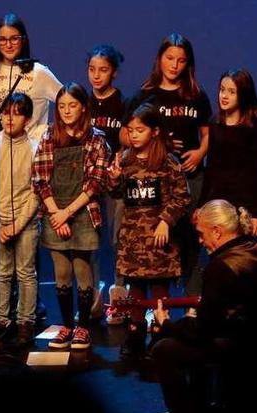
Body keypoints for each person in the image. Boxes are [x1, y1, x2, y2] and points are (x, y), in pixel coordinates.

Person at [142, 199, 257, 413]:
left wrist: (165, 325)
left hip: (235, 343)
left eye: (201, 234)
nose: (200, 241)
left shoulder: (220, 267)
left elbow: (203, 331)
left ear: (217, 231)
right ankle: (202, 412)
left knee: (165, 349)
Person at [122, 34, 211, 307]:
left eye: (181, 60)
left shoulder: (195, 95)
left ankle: (191, 305)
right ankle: (152, 307)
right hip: (153, 177)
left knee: (191, 237)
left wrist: (199, 153)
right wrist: (157, 141)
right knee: (158, 238)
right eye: (169, 58)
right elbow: (126, 135)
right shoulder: (145, 94)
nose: (174, 65)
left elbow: (208, 133)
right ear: (159, 59)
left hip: (190, 173)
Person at [108, 103, 190, 357]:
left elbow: (182, 197)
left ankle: (159, 330)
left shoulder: (167, 162)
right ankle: (135, 332)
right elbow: (117, 192)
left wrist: (166, 220)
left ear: (154, 132)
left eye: (140, 130)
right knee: (135, 289)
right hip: (133, 237)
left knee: (158, 288)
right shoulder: (124, 159)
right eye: (130, 130)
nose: (133, 135)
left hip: (158, 238)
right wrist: (113, 178)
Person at [32, 83, 110, 350]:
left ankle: (83, 327)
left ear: (84, 107)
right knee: (62, 271)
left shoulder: (96, 138)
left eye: (72, 105)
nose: (66, 111)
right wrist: (57, 213)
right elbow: (40, 178)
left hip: (84, 212)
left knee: (81, 268)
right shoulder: (48, 137)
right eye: (62, 106)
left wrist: (67, 213)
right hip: (56, 211)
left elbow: (95, 182)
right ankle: (66, 325)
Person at [0, 92, 40, 346]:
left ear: (27, 118)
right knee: (1, 272)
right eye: (5, 112)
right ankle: (0, 320)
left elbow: (37, 190)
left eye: (16, 113)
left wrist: (18, 223)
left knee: (25, 272)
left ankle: (26, 320)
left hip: (25, 222)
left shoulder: (35, 148)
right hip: (0, 222)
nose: (9, 118)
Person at [0, 12, 62, 145]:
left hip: (27, 154)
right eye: (3, 39)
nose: (8, 45)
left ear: (23, 40)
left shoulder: (38, 73)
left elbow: (68, 101)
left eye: (14, 39)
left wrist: (45, 131)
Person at [86, 44, 128, 323]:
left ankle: (120, 295)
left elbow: (127, 142)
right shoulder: (84, 102)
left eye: (103, 70)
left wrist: (118, 164)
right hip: (90, 183)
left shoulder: (124, 104)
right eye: (92, 70)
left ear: (114, 72)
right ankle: (93, 299)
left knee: (118, 239)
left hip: (114, 182)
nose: (96, 76)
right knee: (91, 241)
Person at [199, 69, 257, 236]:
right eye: (222, 90)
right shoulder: (215, 123)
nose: (224, 95)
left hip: (242, 202)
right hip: (218, 200)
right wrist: (202, 205)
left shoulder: (254, 126)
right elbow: (212, 167)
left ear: (243, 94)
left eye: (231, 92)